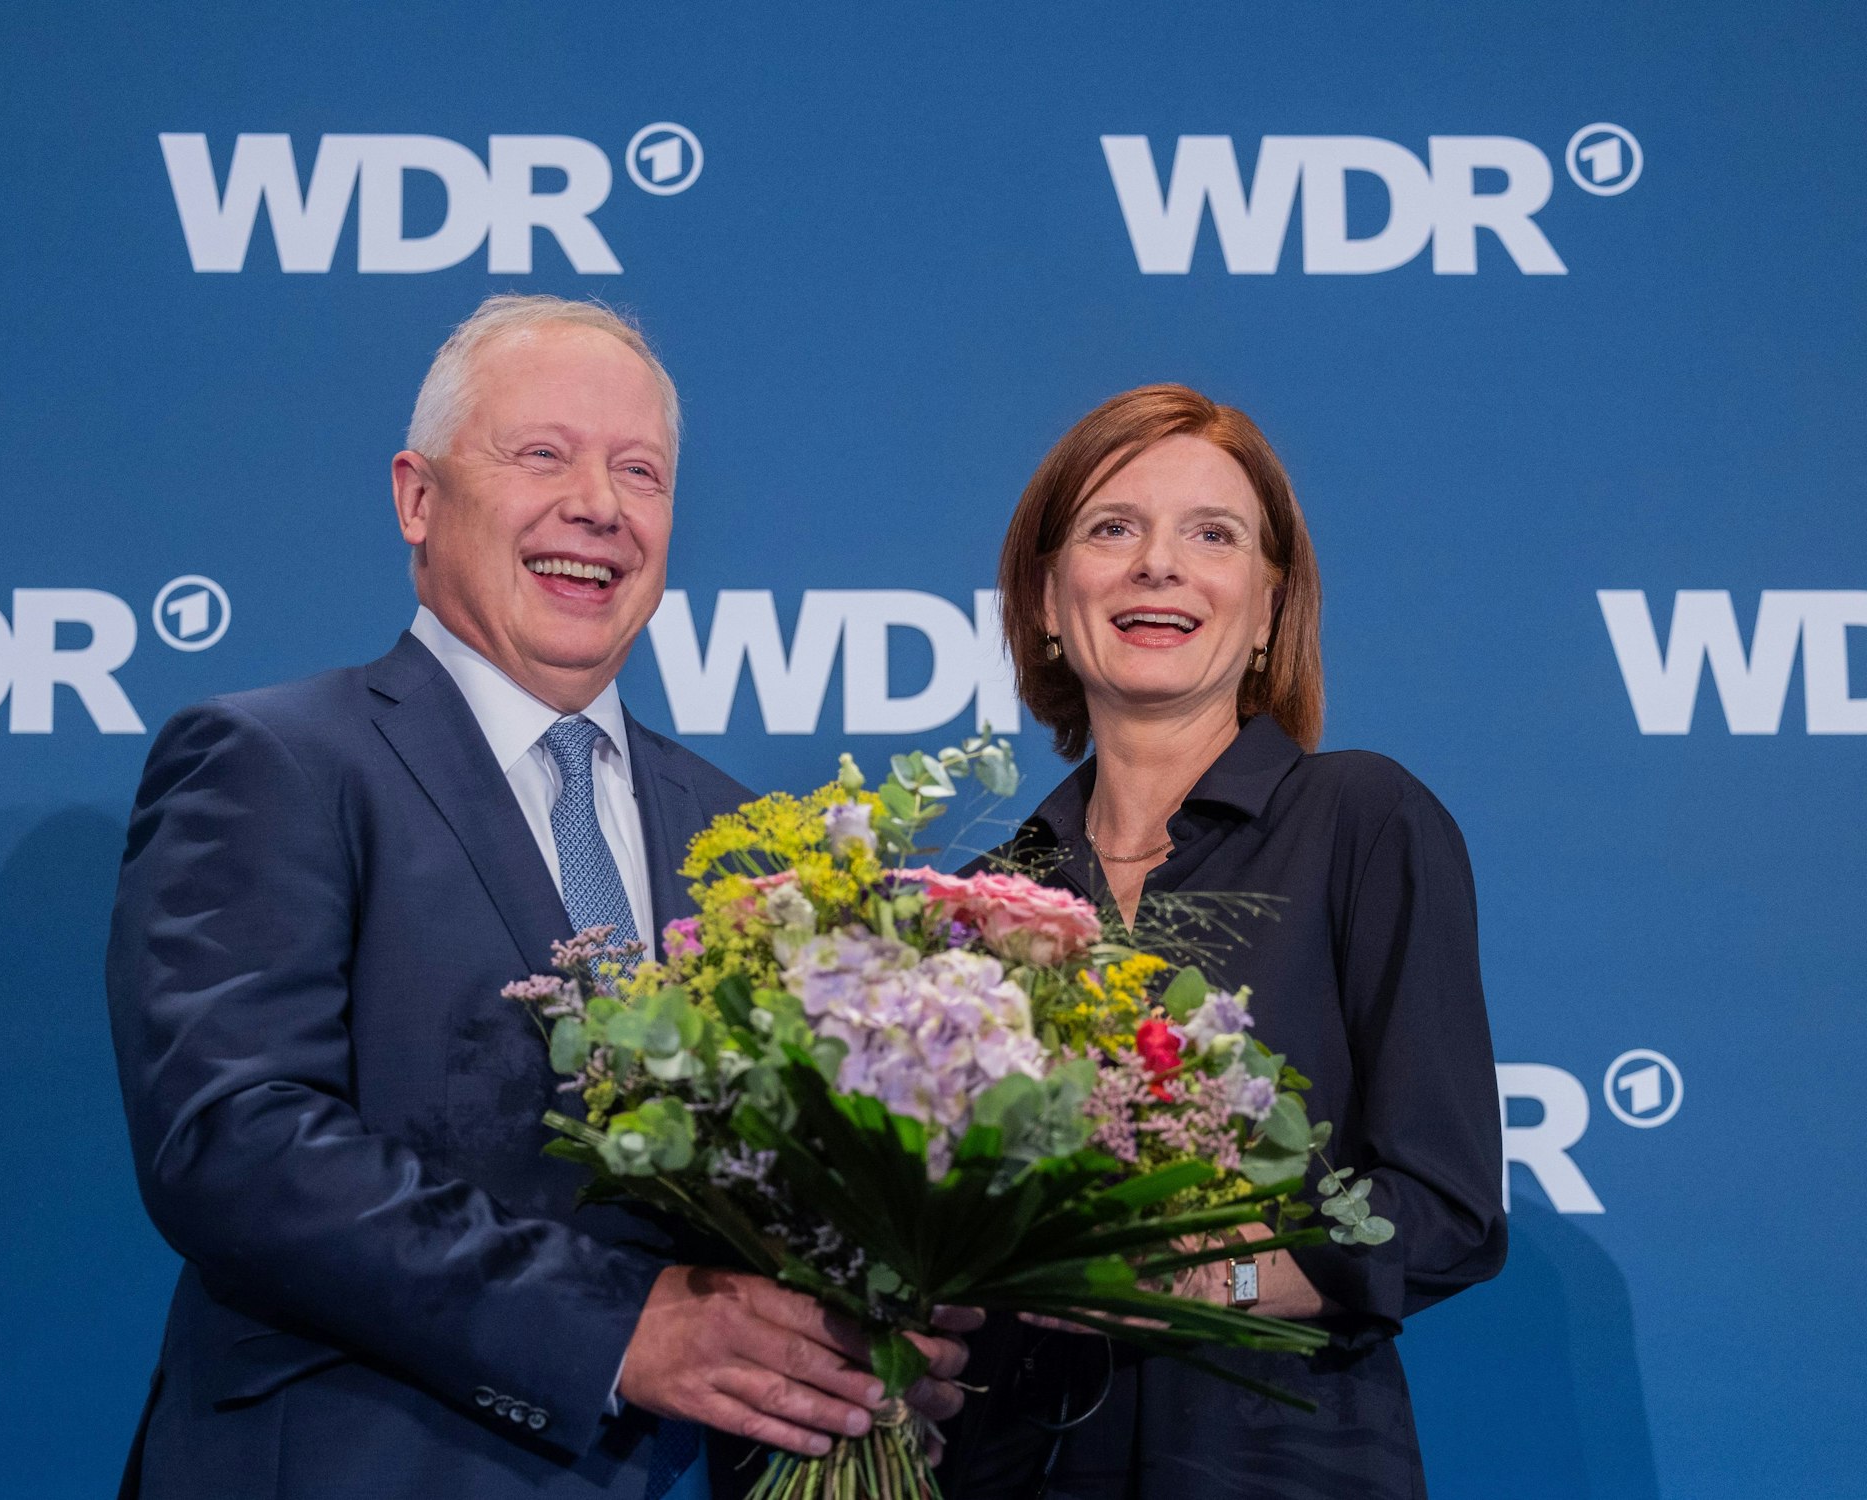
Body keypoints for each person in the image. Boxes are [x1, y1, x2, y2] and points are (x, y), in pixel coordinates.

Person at [105, 296, 969, 1500]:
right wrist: (616, 1329)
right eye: (542, 455)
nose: (599, 507)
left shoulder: (745, 841)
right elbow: (236, 1145)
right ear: (416, 497)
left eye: (640, 472)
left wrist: (859, 1341)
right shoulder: (277, 762)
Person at [946, 385, 1506, 1500]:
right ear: (1047, 600)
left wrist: (1209, 1279)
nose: (1158, 565)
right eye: (1113, 529)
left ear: (1264, 611)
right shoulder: (980, 900)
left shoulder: (1361, 821)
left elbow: (1442, 1210)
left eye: (1212, 535)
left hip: (1268, 1465)